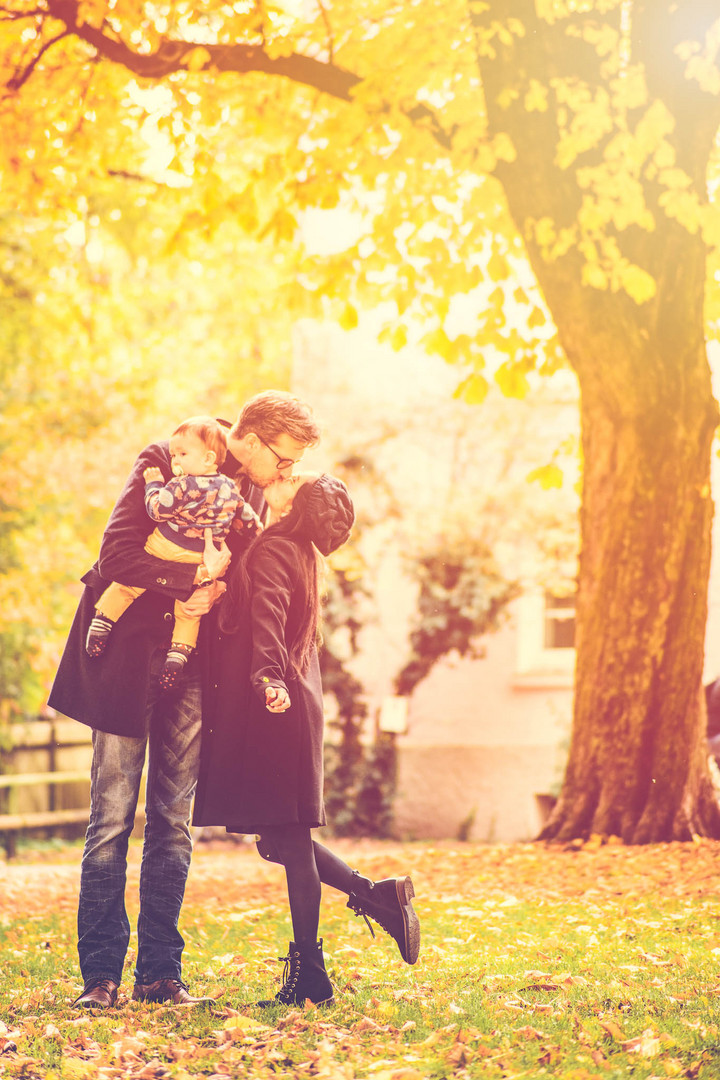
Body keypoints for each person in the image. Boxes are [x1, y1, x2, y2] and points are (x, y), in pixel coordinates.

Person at [47, 390, 321, 1009]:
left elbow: (250, 575)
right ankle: (100, 979)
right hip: (120, 658)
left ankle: (161, 975)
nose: (284, 473)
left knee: (172, 821)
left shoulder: (256, 492)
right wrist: (191, 580)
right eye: (283, 458)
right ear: (254, 439)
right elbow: (115, 555)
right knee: (111, 817)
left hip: (192, 661)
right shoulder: (173, 454)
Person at [192, 472, 421, 1009]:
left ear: (294, 503)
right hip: (291, 704)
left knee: (289, 844)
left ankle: (311, 974)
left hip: (278, 705)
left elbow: (268, 616)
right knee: (277, 840)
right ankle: (377, 898)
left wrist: (266, 678)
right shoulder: (297, 551)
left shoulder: (276, 549)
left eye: (291, 478)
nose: (279, 477)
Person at [86, 415, 261, 691]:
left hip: (168, 545)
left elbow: (158, 509)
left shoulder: (183, 484)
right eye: (174, 454)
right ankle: (179, 654)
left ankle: (103, 620)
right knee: (187, 616)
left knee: (128, 589)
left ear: (208, 458)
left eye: (180, 454)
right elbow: (114, 557)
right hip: (131, 643)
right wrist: (200, 573)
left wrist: (153, 486)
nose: (175, 461)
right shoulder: (229, 487)